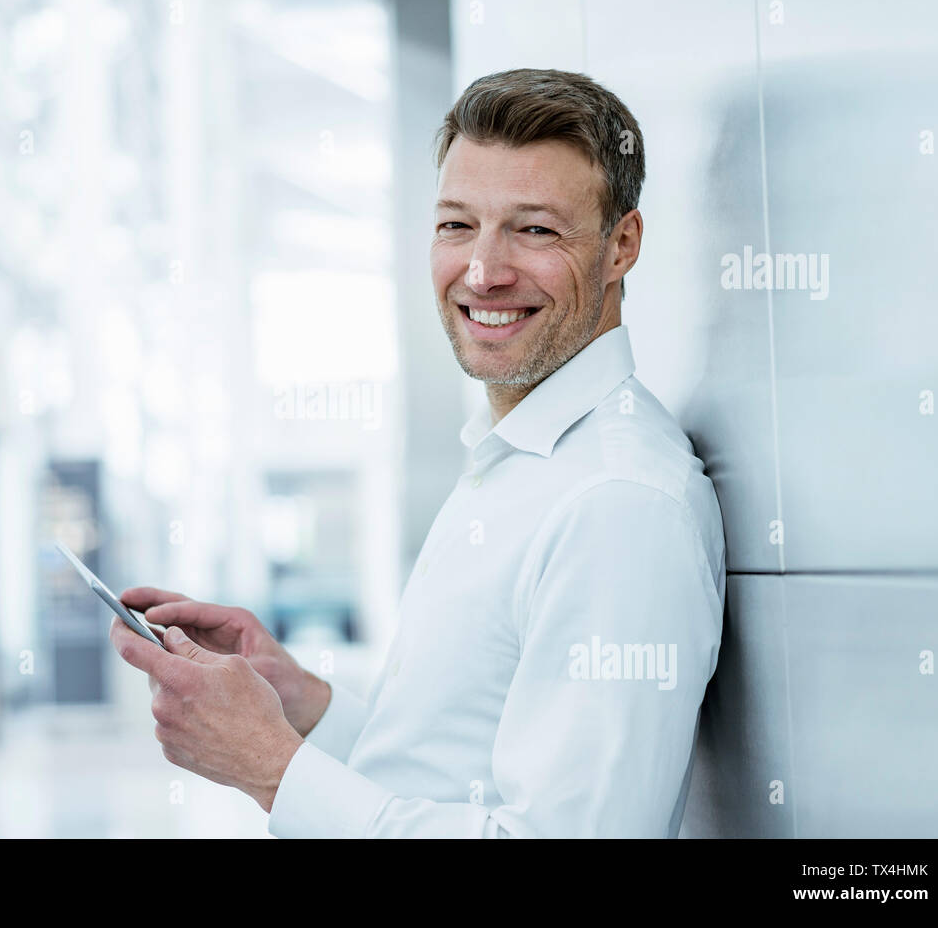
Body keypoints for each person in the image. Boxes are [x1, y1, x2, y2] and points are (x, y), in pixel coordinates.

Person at [111, 68, 726, 837]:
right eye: (456, 225)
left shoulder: (618, 503)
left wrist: (270, 768)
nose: (483, 270)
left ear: (620, 247)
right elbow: (454, 772)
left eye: (535, 229)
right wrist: (300, 703)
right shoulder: (520, 460)